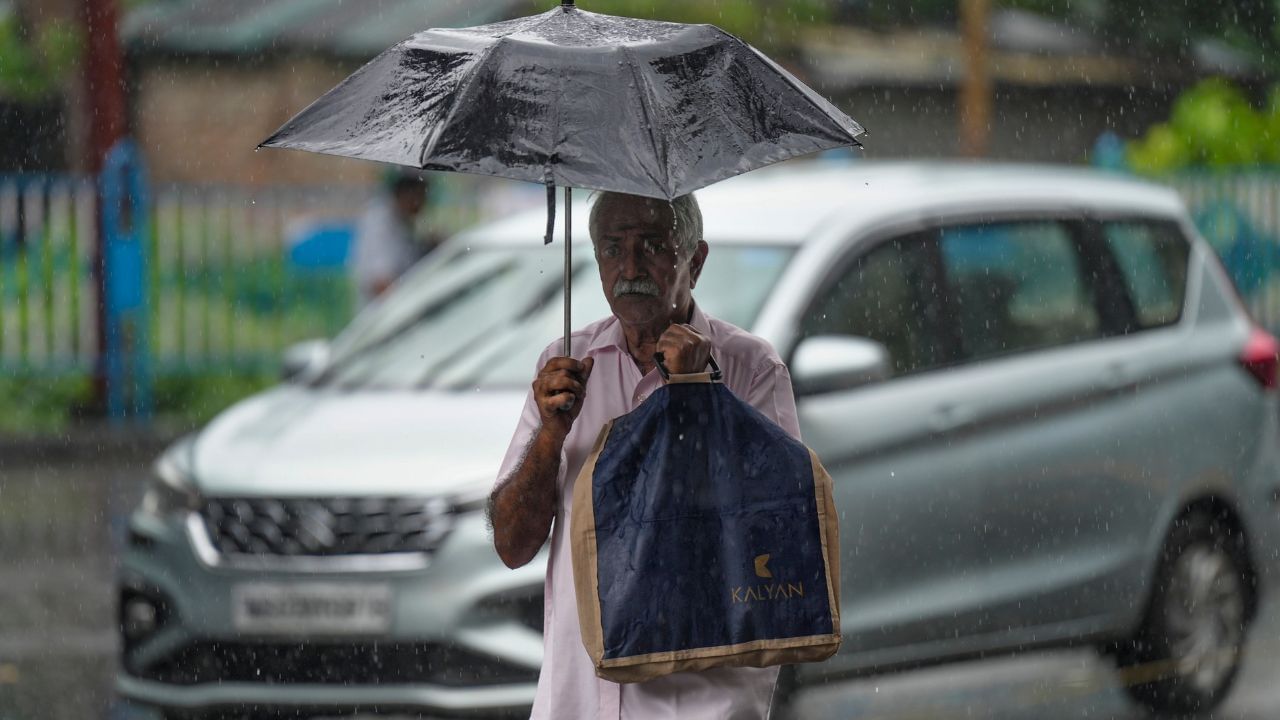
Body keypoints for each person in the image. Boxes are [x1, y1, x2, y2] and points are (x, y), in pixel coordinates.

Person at [488, 191, 801, 719]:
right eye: (613, 248)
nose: (629, 268)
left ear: (695, 261)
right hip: (577, 702)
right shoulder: (564, 368)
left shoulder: (750, 368)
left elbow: (775, 537)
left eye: (652, 246)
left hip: (699, 703)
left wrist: (698, 398)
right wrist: (550, 436)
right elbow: (512, 546)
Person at [350, 170, 430, 307]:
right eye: (420, 195)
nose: (422, 204)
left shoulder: (403, 223)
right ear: (406, 194)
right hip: (382, 312)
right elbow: (381, 282)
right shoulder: (381, 222)